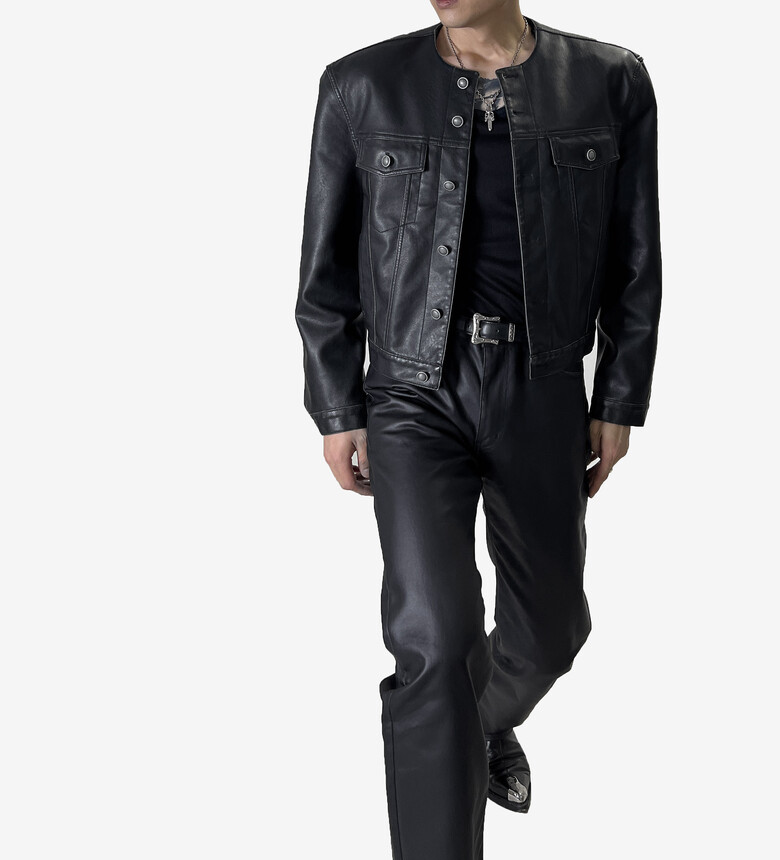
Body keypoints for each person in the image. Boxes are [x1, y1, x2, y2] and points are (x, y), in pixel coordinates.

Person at [295, 2, 661, 857]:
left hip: (544, 385)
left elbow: (636, 254)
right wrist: (336, 406)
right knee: (434, 638)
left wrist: (618, 396)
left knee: (552, 631)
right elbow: (324, 265)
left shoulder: (610, 79)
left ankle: (482, 722)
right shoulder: (359, 85)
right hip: (410, 392)